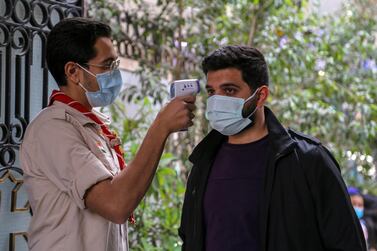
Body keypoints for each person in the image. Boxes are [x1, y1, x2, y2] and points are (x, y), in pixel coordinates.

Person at [20, 17, 196, 251]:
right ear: (74, 72)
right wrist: (160, 127)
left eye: (115, 65)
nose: (115, 73)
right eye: (107, 65)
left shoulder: (90, 124)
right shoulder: (52, 129)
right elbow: (116, 203)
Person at [178, 45, 366, 251]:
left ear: (260, 96)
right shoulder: (203, 161)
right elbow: (190, 238)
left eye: (229, 90)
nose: (217, 100)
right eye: (212, 92)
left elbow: (347, 243)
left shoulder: (307, 160)